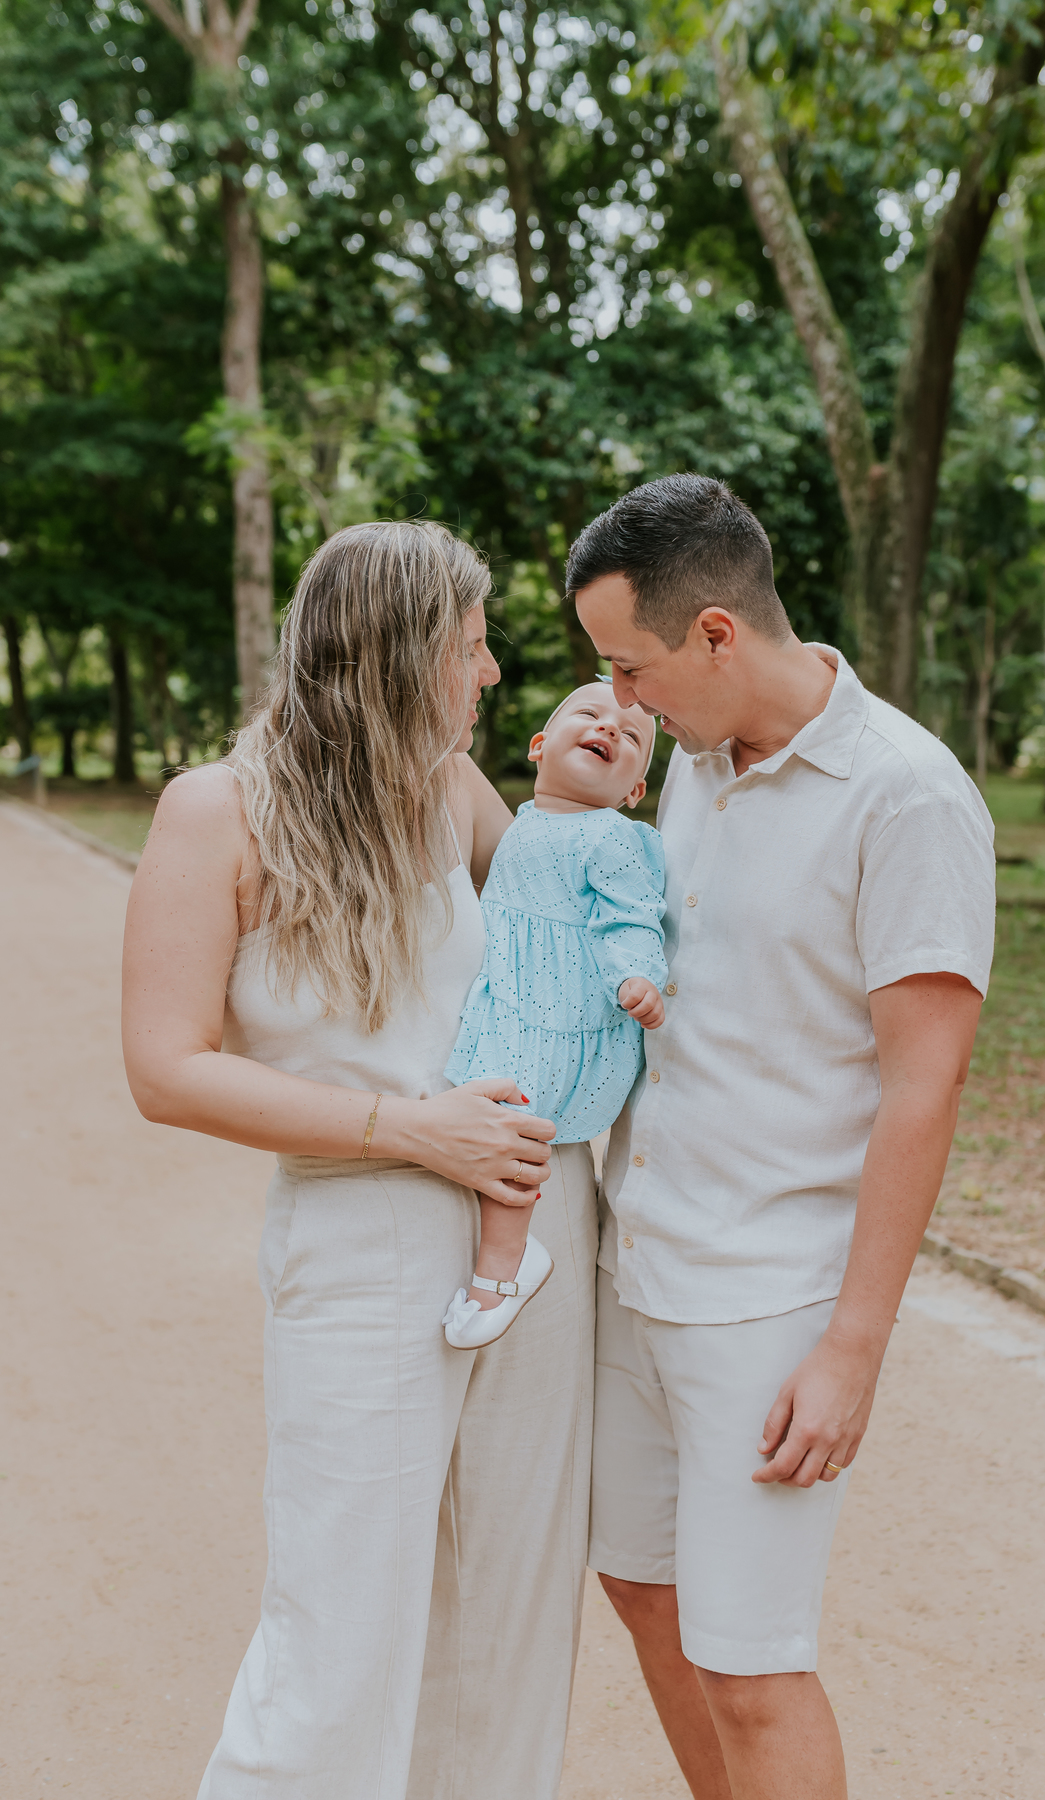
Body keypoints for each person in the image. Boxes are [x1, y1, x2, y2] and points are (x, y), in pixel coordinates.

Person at [121, 521, 598, 1800]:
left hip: (530, 1235)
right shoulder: (216, 810)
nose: (493, 673)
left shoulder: (452, 793)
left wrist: (598, 770)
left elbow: (572, 904)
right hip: (360, 1236)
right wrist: (408, 1129)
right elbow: (166, 1068)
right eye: (472, 644)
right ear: (393, 654)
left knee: (509, 1608)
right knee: (340, 1622)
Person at [566, 474, 996, 1800]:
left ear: (714, 636)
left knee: (751, 1669)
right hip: (638, 1259)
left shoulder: (907, 798)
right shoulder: (688, 766)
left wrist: (852, 1350)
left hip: (769, 1295)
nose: (618, 695)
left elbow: (922, 1087)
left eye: (627, 665)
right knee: (642, 1586)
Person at [442, 678, 666, 1349]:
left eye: (631, 737)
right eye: (591, 716)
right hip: (509, 1003)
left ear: (633, 793)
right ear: (540, 747)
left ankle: (505, 1266)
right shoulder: (526, 824)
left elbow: (632, 917)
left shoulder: (614, 836)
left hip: (561, 1015)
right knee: (484, 1109)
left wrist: (637, 976)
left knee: (516, 1124)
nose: (608, 730)